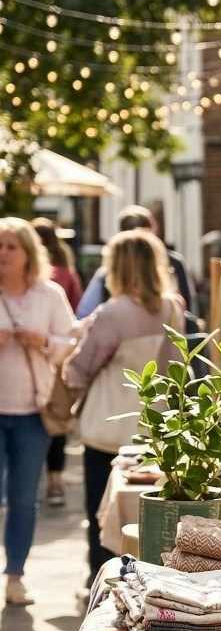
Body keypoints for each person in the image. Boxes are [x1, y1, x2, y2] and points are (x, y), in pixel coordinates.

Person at [63, 230, 184, 586]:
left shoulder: (112, 312)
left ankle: (102, 581)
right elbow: (176, 365)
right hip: (153, 423)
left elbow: (79, 369)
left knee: (101, 512)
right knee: (145, 511)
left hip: (107, 423)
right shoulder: (172, 306)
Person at [0, 218, 77, 606]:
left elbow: (71, 339)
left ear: (28, 251)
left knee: (23, 498)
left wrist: (43, 341)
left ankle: (15, 576)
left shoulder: (48, 294)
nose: (2, 253)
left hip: (33, 412)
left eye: (10, 246)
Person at [32, 217, 83, 507]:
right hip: (58, 358)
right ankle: (54, 481)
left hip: (42, 353)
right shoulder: (66, 271)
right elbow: (76, 312)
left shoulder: (44, 280)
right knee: (57, 419)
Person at [77, 204, 196, 324]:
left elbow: (84, 313)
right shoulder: (174, 266)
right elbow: (190, 308)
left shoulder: (107, 273)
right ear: (153, 230)